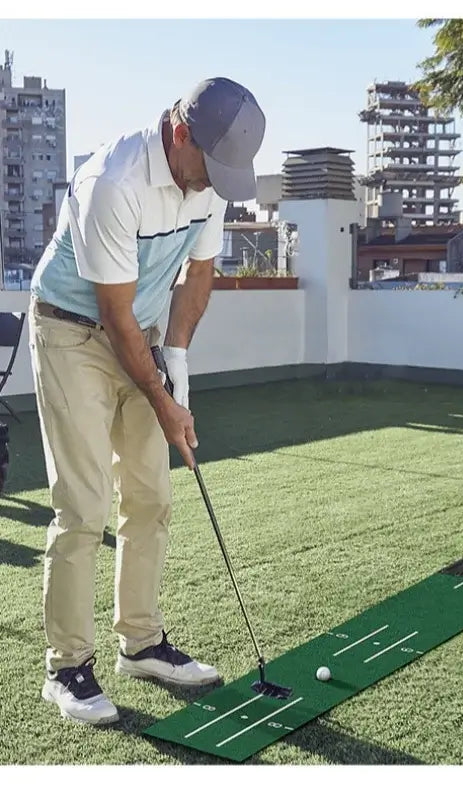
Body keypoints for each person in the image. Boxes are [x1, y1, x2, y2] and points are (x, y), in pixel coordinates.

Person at [28, 77, 266, 725]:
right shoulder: (116, 181)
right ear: (180, 132)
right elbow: (113, 313)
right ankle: (67, 666)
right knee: (83, 504)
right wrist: (166, 403)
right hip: (72, 330)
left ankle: (140, 642)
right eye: (210, 168)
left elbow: (199, 273)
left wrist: (179, 359)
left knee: (151, 497)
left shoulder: (210, 180)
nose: (213, 184)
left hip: (144, 333)